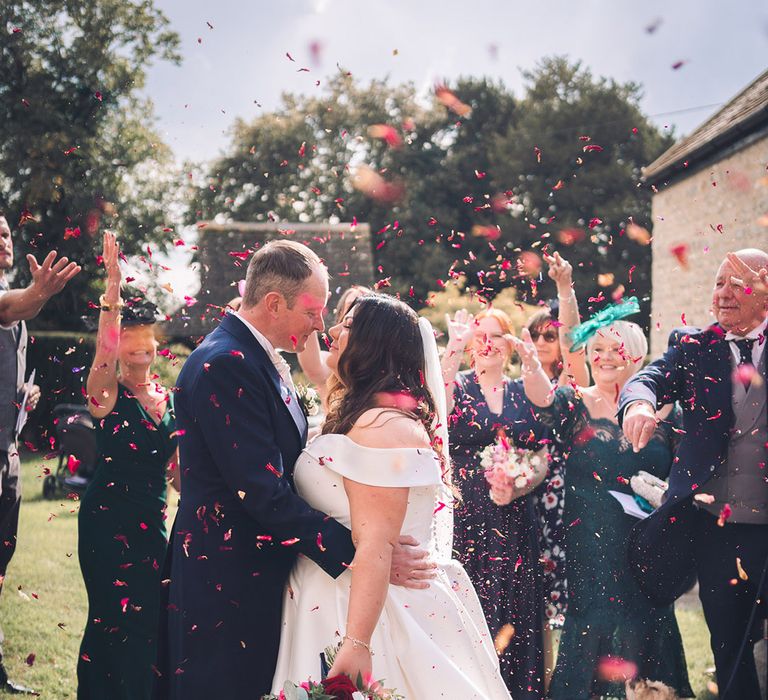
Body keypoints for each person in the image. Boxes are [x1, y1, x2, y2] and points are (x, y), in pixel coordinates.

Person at [154, 241, 430, 699]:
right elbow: (261, 493)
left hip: (264, 577)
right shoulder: (226, 364)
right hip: (226, 581)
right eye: (314, 311)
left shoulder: (257, 357)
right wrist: (363, 553)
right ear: (274, 303)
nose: (322, 324)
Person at [271, 293, 512, 699]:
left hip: (374, 618)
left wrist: (357, 645)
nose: (332, 331)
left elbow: (379, 545)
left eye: (346, 326)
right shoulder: (361, 415)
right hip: (331, 603)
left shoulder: (384, 426)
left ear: (373, 345)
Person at [515, 319, 693, 699]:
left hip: (647, 549)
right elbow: (541, 400)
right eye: (599, 349)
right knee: (592, 624)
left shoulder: (670, 414)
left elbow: (685, 478)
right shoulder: (574, 403)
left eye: (617, 349)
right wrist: (531, 364)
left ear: (639, 357)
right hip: (590, 548)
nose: (605, 357)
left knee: (647, 622)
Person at [621, 248, 768, 700]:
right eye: (718, 282)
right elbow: (649, 379)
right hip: (715, 528)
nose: (723, 293)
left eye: (736, 284)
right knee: (729, 644)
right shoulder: (692, 346)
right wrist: (641, 403)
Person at [77, 232, 179, 699]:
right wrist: (113, 287)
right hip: (106, 521)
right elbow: (101, 351)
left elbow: (178, 473)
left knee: (148, 619)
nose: (140, 349)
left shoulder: (167, 398)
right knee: (109, 619)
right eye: (130, 341)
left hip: (151, 524)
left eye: (147, 341)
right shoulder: (107, 395)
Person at [440, 306, 547, 698]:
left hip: (515, 518)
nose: (487, 342)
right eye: (479, 334)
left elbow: (541, 455)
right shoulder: (459, 384)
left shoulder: (524, 391)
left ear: (509, 344)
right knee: (469, 609)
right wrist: (453, 345)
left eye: (496, 335)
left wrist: (519, 484)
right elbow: (439, 404)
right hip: (466, 518)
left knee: (516, 612)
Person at [0, 210, 80, 695]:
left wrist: (22, 397)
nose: (2, 241)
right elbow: (17, 306)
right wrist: (40, 293)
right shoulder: (12, 303)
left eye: (6, 233)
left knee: (1, 569)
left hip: (8, 463)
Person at [296, 285, 370, 407]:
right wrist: (311, 310)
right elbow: (313, 369)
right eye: (352, 304)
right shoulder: (331, 361)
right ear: (341, 315)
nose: (358, 307)